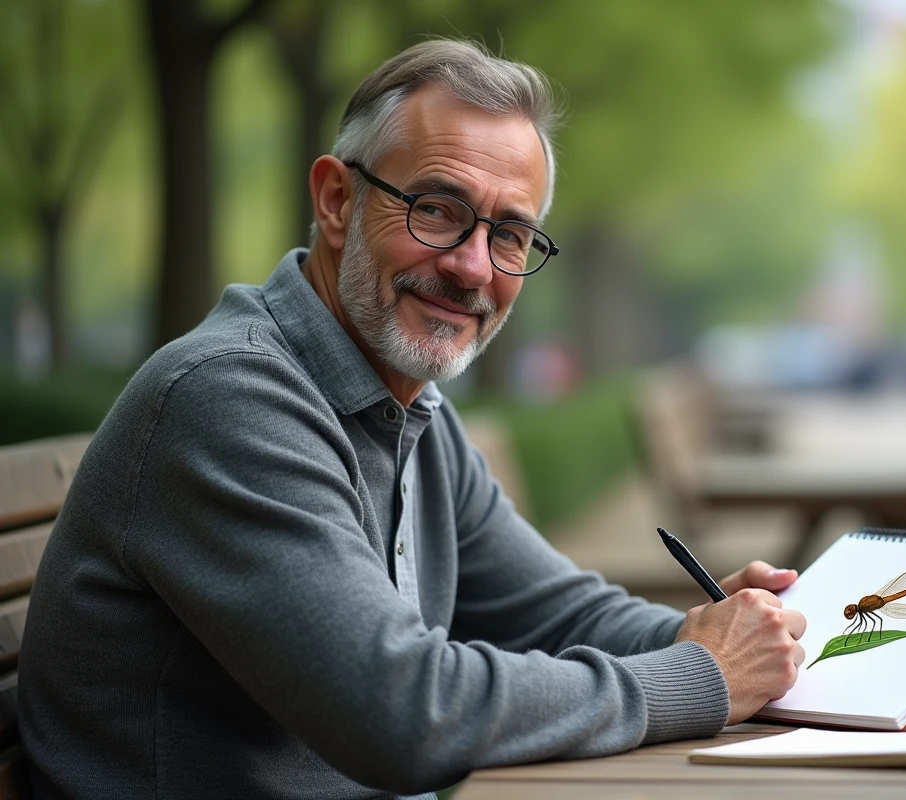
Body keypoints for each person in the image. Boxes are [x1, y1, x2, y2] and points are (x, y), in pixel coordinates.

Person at [17, 40, 807, 800]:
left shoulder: (407, 405)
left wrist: (707, 633)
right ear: (335, 200)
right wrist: (702, 675)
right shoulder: (229, 399)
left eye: (510, 234)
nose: (471, 266)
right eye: (437, 209)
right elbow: (400, 712)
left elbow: (554, 611)